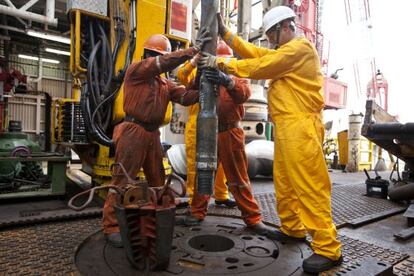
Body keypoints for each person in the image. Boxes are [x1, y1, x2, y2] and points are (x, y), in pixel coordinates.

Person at [198, 6, 342, 274]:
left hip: (301, 126)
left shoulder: (300, 49)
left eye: (272, 36)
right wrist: (227, 35)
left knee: (310, 186)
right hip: (287, 128)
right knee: (286, 183)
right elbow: (259, 54)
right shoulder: (287, 52)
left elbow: (261, 65)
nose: (271, 42)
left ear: (284, 27)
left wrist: (220, 62)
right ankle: (293, 228)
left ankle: (327, 247)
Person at [102, 29, 211, 248]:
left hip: (152, 134)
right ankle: (111, 226)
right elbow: (162, 63)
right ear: (146, 54)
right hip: (133, 130)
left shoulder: (164, 85)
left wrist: (201, 73)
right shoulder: (136, 70)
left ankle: (158, 216)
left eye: (155, 54)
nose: (153, 58)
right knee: (123, 180)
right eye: (151, 54)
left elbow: (187, 97)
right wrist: (193, 51)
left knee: (158, 181)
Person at [176, 40, 270, 236]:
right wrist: (199, 74)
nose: (219, 66)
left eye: (222, 64)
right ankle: (197, 212)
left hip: (230, 133)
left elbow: (244, 93)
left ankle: (253, 219)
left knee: (238, 177)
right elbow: (189, 89)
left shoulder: (235, 76)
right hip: (209, 130)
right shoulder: (205, 75)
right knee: (204, 173)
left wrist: (227, 80)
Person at [176, 41, 238, 208]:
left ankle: (221, 194)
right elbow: (181, 76)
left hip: (220, 124)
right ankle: (193, 199)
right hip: (197, 124)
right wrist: (194, 60)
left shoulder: (227, 77)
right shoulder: (198, 72)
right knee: (195, 164)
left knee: (222, 163)